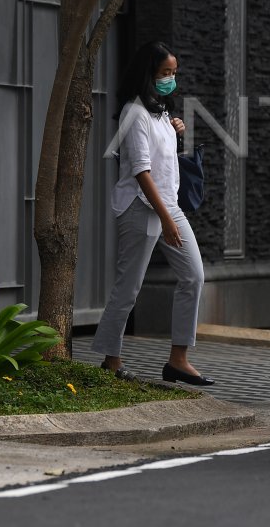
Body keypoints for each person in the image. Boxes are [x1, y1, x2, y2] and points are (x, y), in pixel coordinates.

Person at [92, 41, 213, 386]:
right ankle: (112, 360)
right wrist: (164, 217)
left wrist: (177, 135)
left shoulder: (160, 112)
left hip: (167, 205)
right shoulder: (135, 113)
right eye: (165, 73)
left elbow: (163, 165)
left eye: (174, 73)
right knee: (129, 287)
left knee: (194, 276)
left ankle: (178, 359)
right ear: (149, 74)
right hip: (140, 206)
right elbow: (142, 172)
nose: (171, 79)